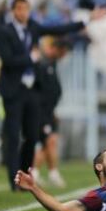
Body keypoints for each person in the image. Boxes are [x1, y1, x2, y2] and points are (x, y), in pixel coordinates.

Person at [0, 0, 106, 191]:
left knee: (31, 136)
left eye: (26, 8)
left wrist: (87, 20)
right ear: (13, 11)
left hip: (31, 89)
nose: (23, 13)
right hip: (13, 90)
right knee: (13, 136)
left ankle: (24, 177)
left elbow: (59, 29)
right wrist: (29, 58)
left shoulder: (33, 27)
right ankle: (14, 182)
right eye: (19, 9)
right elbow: (7, 59)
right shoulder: (5, 31)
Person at [31, 37, 70, 188]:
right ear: (55, 49)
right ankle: (42, 173)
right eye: (63, 52)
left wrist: (52, 111)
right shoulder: (43, 65)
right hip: (41, 112)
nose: (64, 56)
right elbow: (39, 92)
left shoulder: (51, 65)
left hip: (48, 112)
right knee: (49, 141)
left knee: (49, 142)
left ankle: (45, 173)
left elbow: (52, 92)